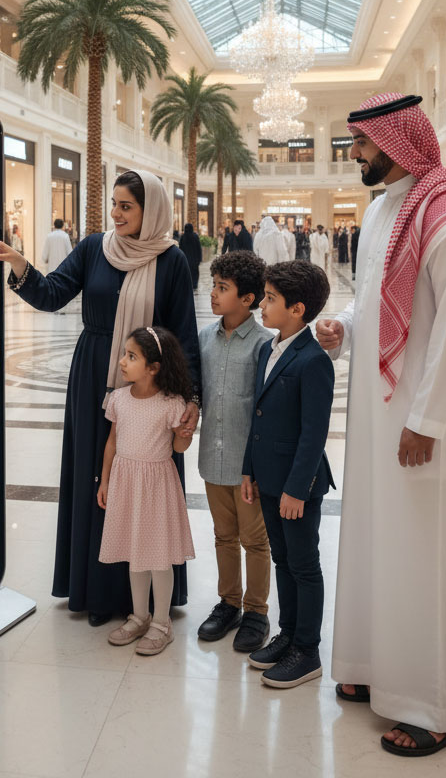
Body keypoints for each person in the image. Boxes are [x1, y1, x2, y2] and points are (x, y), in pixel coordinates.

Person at [315, 92, 446, 757]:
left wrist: (426, 418)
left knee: (422, 554)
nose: (356, 154)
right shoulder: (382, 209)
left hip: (423, 420)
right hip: (375, 415)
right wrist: (345, 326)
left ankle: (438, 705)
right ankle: (373, 668)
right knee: (375, 541)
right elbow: (379, 305)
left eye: (361, 143)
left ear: (394, 142)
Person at [0, 170, 201, 625]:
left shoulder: (172, 261)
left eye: (127, 206)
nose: (117, 214)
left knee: (147, 479)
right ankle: (97, 590)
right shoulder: (93, 248)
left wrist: (191, 400)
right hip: (94, 377)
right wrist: (20, 264)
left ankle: (148, 602)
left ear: (150, 210)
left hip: (152, 388)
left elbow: (184, 336)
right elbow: (53, 293)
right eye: (115, 204)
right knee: (96, 477)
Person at [241, 260, 335, 688]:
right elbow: (256, 417)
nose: (262, 304)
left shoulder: (314, 361)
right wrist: (248, 470)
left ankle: (308, 649)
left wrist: (297, 489)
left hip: (298, 485)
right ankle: (288, 634)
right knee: (281, 559)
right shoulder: (268, 348)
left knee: (303, 565)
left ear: (297, 309)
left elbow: (314, 434)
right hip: (268, 478)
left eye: (271, 299)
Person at [98, 326, 196, 655]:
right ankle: (140, 616)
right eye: (125, 354)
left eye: (131, 356)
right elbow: (112, 441)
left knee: (159, 557)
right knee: (135, 554)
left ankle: (162, 622)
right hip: (126, 482)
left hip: (156, 485)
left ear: (153, 367)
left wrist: (186, 432)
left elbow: (180, 447)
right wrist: (106, 479)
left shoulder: (171, 403)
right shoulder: (118, 398)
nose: (123, 361)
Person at [196, 251, 273, 653]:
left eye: (223, 288)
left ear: (248, 299)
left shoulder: (265, 344)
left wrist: (257, 467)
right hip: (213, 457)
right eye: (214, 285)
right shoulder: (205, 339)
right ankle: (229, 603)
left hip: (248, 466)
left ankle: (257, 612)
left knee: (254, 540)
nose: (213, 294)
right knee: (223, 536)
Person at [179, 222, 203, 290]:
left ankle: (187, 284)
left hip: (185, 259)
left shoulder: (183, 237)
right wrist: (200, 258)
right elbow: (199, 248)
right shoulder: (195, 236)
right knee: (195, 273)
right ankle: (194, 284)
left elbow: (180, 249)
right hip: (194, 260)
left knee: (186, 273)